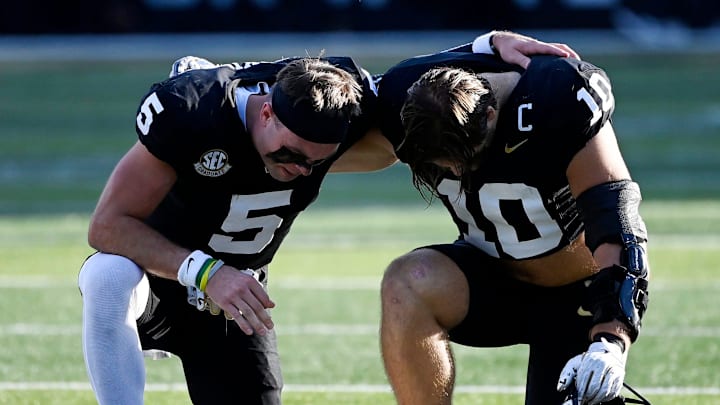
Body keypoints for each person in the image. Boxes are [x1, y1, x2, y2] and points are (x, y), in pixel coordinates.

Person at [77, 32, 576, 405]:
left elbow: (414, 79)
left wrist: (488, 44)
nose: (299, 169)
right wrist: (205, 271)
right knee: (107, 273)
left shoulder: (348, 101)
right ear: (267, 111)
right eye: (291, 153)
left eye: (317, 161)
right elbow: (107, 226)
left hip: (236, 303)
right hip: (164, 280)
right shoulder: (193, 109)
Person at [375, 38, 650, 404]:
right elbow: (315, 116)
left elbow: (615, 221)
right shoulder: (401, 94)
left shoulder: (558, 97)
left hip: (578, 296)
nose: (455, 170)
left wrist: (610, 340)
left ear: (490, 116)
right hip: (493, 282)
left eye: (461, 157)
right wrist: (487, 42)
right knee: (407, 281)